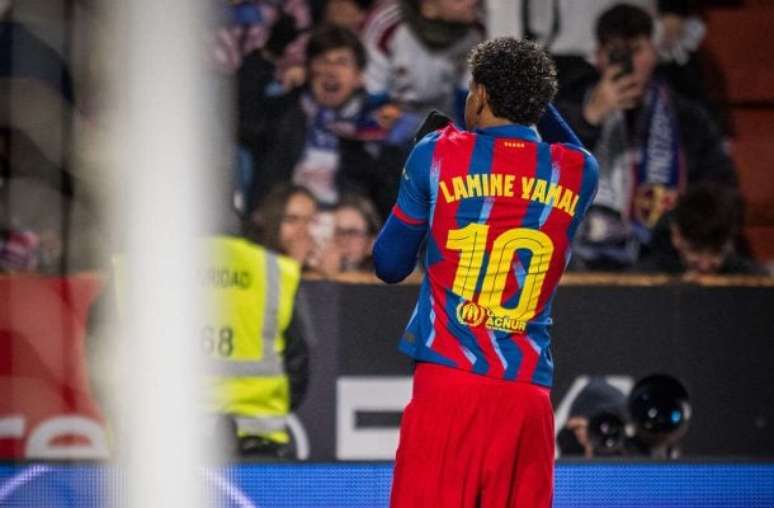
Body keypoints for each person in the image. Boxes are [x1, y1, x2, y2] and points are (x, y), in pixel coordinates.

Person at [373, 38, 598, 507]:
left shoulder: (437, 153)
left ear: (479, 93)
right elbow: (571, 144)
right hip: (527, 398)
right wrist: (530, 94)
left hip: (448, 387)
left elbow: (389, 266)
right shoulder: (578, 171)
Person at [556, 4, 737, 269]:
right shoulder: (567, 108)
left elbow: (719, 187)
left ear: (654, 52)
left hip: (661, 255)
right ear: (598, 57)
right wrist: (588, 120)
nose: (629, 64)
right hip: (580, 255)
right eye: (617, 52)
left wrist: (687, 227)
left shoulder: (687, 118)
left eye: (637, 50)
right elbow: (542, 178)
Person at [250, 24, 407, 216]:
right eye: (322, 61)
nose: (331, 71)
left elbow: (389, 199)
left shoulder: (376, 126)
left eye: (342, 62)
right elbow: (246, 124)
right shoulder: (284, 112)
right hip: (289, 220)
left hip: (348, 224)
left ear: (359, 77)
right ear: (309, 71)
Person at [361, 0, 484, 124]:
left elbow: (468, 98)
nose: (473, 2)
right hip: (394, 120)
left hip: (447, 120)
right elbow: (373, 96)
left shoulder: (477, 29)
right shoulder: (387, 25)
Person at [634, 184, 764, 275]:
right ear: (676, 236)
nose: (704, 266)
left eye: (716, 252)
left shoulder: (754, 283)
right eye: (695, 250)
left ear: (729, 243)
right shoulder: (640, 282)